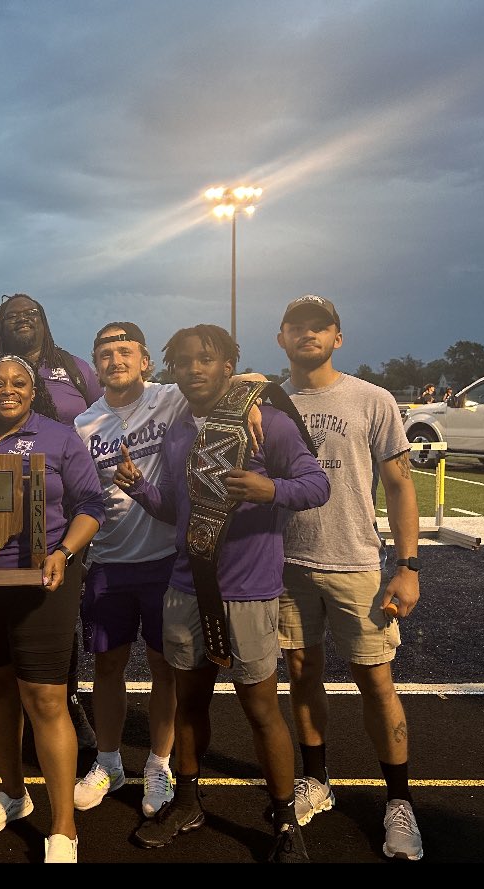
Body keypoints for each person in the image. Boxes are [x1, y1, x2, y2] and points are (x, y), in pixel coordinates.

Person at [115, 324, 329, 862]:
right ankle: (188, 801)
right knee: (190, 704)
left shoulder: (268, 421)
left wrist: (270, 489)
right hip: (188, 585)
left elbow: (317, 483)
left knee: (261, 709)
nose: (193, 369)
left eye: (206, 359)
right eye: (184, 361)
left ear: (229, 366)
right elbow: (176, 512)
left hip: (250, 591)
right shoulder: (180, 431)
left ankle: (284, 823)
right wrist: (138, 487)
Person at [73, 321, 268, 818]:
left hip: (167, 559)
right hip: (109, 561)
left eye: (125, 351)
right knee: (108, 665)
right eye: (105, 354)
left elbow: (236, 381)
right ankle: (110, 760)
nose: (115, 361)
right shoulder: (84, 424)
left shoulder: (172, 398)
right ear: (95, 366)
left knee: (167, 668)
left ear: (145, 361)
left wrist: (255, 393)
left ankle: (159, 762)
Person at [276, 294, 425, 860]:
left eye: (321, 326)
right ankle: (317, 779)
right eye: (298, 326)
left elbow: (400, 485)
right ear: (281, 337)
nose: (309, 334)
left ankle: (399, 799)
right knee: (300, 670)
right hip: (286, 563)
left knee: (375, 680)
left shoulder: (371, 398)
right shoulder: (267, 400)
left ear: (338, 337)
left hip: (356, 560)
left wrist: (407, 567)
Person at [0, 354, 105, 864]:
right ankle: (14, 794)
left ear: (34, 390)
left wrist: (63, 553)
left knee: (44, 697)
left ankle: (63, 826)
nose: (7, 390)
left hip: (44, 580)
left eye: (19, 383)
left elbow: (91, 506)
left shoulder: (60, 437)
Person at [0, 293, 102, 752]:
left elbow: (110, 409)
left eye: (31, 314)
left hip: (60, 520)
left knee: (56, 631)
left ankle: (67, 702)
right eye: (11, 316)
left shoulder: (75, 369)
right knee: (0, 654)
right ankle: (5, 711)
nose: (22, 320)